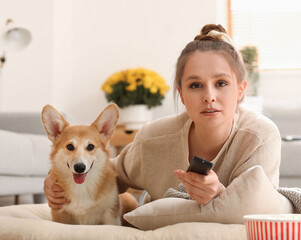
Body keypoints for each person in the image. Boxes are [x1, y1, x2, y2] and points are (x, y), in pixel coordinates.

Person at [44, 24, 281, 208]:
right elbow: (110, 175)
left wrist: (220, 195)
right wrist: (57, 180)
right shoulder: (153, 138)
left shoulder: (260, 137)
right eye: (195, 85)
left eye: (221, 83)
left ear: (240, 90)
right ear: (181, 94)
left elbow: (265, 208)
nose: (209, 96)